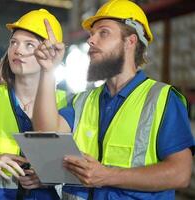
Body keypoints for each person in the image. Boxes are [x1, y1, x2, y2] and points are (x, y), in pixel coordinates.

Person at [32, 0, 195, 199]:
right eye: (92, 34)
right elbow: (45, 134)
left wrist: (108, 176)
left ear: (130, 42)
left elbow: (180, 174)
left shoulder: (162, 99)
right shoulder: (83, 100)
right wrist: (48, 71)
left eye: (103, 33)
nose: (91, 40)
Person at [0, 9, 72, 199]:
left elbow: (81, 171)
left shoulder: (68, 104)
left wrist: (51, 178)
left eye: (29, 45)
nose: (18, 50)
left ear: (51, 53)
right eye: (13, 43)